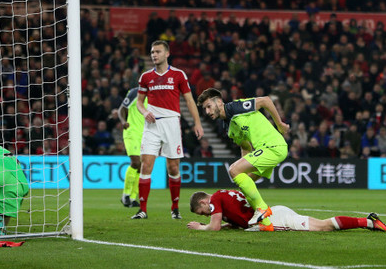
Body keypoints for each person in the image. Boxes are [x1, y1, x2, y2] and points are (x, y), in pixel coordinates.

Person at [196, 88, 289, 231]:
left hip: (273, 146)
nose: (207, 112)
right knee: (244, 183)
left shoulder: (236, 107)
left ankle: (262, 208)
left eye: (209, 106)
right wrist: (243, 172)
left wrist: (279, 124)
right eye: (205, 109)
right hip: (265, 151)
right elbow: (245, 147)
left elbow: (266, 100)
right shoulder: (229, 128)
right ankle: (266, 225)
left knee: (233, 170)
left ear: (219, 102)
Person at [132, 40, 204, 220]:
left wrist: (197, 123)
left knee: (173, 167)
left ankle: (174, 208)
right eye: (151, 52)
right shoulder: (146, 77)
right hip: (152, 125)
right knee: (146, 165)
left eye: (157, 51)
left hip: (172, 123)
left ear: (167, 53)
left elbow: (189, 100)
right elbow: (140, 103)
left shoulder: (178, 75)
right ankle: (142, 210)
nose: (153, 55)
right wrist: (145, 111)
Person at [187, 190, 386, 232]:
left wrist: (200, 227)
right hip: (274, 212)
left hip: (273, 219)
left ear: (205, 201)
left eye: (202, 212)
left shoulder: (214, 199)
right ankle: (369, 222)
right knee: (322, 225)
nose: (206, 215)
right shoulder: (225, 194)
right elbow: (235, 220)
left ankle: (369, 222)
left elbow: (213, 227)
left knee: (323, 226)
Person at [118, 87, 147, 208]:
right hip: (132, 132)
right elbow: (121, 109)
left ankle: (133, 197)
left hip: (145, 133)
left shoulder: (156, 95)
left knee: (142, 166)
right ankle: (125, 195)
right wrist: (123, 121)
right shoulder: (135, 92)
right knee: (135, 162)